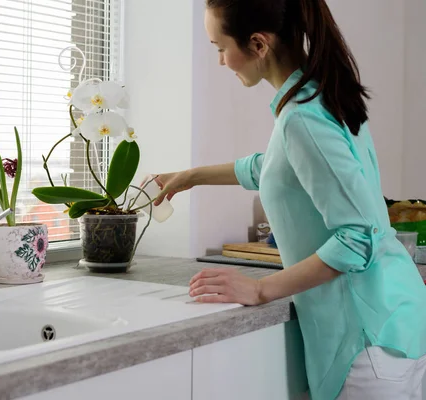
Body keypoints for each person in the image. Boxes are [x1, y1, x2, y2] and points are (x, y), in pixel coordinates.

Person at [152, 1, 426, 399]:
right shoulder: (320, 94)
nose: (221, 61)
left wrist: (260, 290)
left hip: (365, 341)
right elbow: (281, 169)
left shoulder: (302, 117)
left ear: (258, 44)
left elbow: (358, 236)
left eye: (219, 48)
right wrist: (193, 176)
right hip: (395, 319)